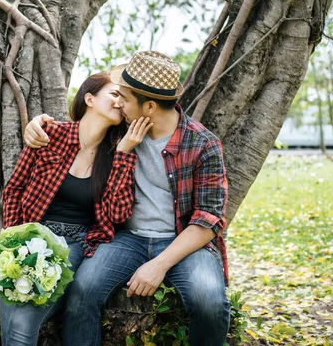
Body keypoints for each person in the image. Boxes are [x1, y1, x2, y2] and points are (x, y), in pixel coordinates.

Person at [24, 51, 231, 346]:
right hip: (128, 239)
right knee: (83, 290)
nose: (118, 103)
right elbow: (78, 129)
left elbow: (208, 220)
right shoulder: (119, 130)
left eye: (124, 97)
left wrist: (158, 265)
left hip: (182, 242)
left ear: (148, 106)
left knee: (208, 301)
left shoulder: (201, 144)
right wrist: (38, 124)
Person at [0, 72, 153, 346]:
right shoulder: (51, 135)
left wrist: (124, 155)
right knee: (12, 307)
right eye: (114, 94)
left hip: (76, 245)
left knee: (21, 325)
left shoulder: (117, 152)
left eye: (123, 98)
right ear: (90, 98)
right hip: (31, 238)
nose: (120, 102)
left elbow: (118, 215)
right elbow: (14, 189)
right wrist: (13, 240)